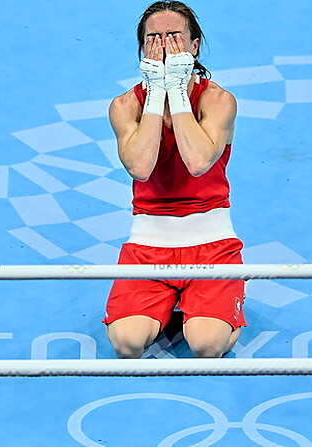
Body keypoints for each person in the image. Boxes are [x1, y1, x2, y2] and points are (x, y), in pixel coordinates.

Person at [102, 1, 245, 359]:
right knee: (127, 343)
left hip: (213, 247)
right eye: (155, 38)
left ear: (194, 46)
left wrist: (178, 91)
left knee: (207, 345)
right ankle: (170, 306)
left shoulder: (218, 101)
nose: (165, 45)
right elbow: (140, 167)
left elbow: (197, 162)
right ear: (142, 49)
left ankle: (206, 308)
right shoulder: (124, 106)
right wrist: (156, 92)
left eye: (174, 36)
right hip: (147, 248)